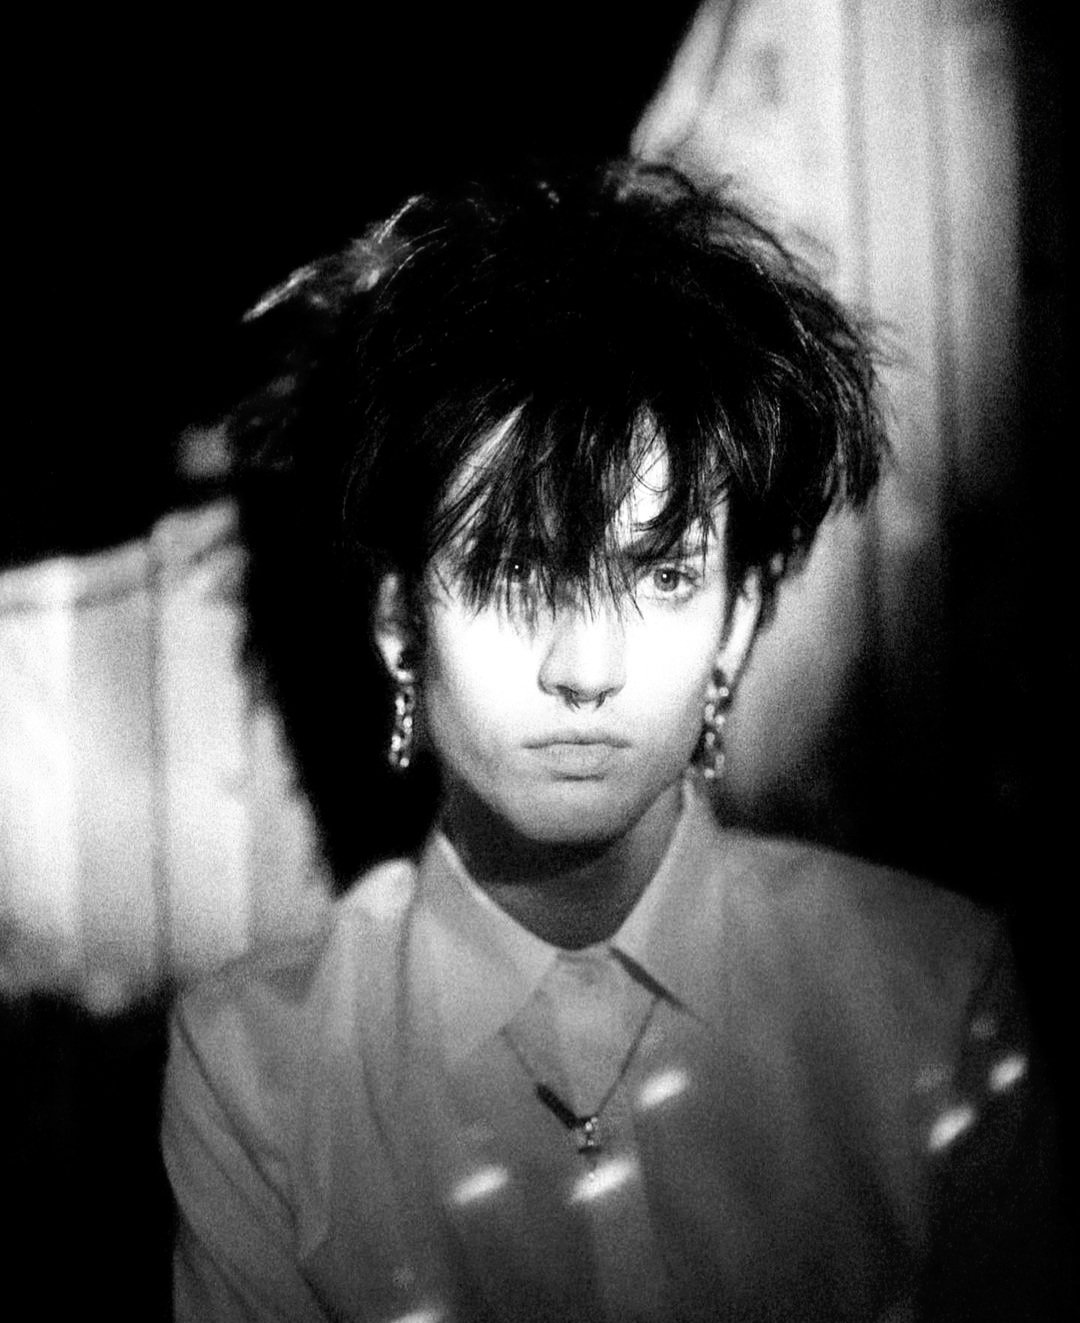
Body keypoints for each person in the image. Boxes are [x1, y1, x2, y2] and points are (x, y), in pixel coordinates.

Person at [162, 159, 1063, 1321]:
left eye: (663, 576)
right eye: (511, 574)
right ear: (400, 624)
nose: (585, 671)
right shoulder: (257, 1065)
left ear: (736, 622)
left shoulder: (932, 993)